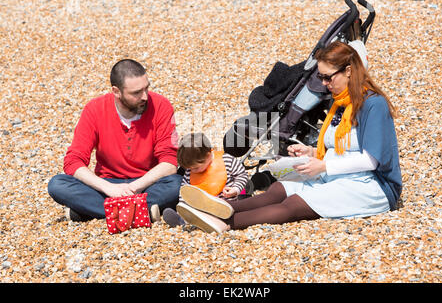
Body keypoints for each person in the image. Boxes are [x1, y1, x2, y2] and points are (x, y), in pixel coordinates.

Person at [175, 41, 403, 233]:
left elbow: (371, 160)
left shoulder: (373, 105)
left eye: (327, 78)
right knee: (279, 189)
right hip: (341, 176)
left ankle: (222, 222)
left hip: (372, 187)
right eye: (321, 78)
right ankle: (217, 207)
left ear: (349, 71)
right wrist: (311, 152)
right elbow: (341, 148)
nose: (324, 84)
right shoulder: (342, 102)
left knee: (293, 204)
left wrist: (323, 166)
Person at [47, 59, 182, 222]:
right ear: (116, 91)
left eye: (147, 88)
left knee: (177, 183)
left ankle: (93, 212)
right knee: (57, 184)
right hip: (107, 184)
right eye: (136, 93)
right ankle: (142, 212)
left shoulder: (161, 105)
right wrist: (109, 188)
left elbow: (169, 162)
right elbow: (73, 161)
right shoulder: (94, 109)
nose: (145, 96)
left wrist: (132, 188)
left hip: (147, 182)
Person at [162, 132, 249, 228]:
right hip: (202, 209)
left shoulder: (227, 160)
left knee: (229, 212)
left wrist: (236, 189)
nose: (192, 171)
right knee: (195, 213)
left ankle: (214, 223)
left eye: (195, 168)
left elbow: (242, 175)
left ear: (208, 155)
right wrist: (183, 208)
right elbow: (185, 191)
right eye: (189, 169)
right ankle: (182, 220)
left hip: (227, 205)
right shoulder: (190, 171)